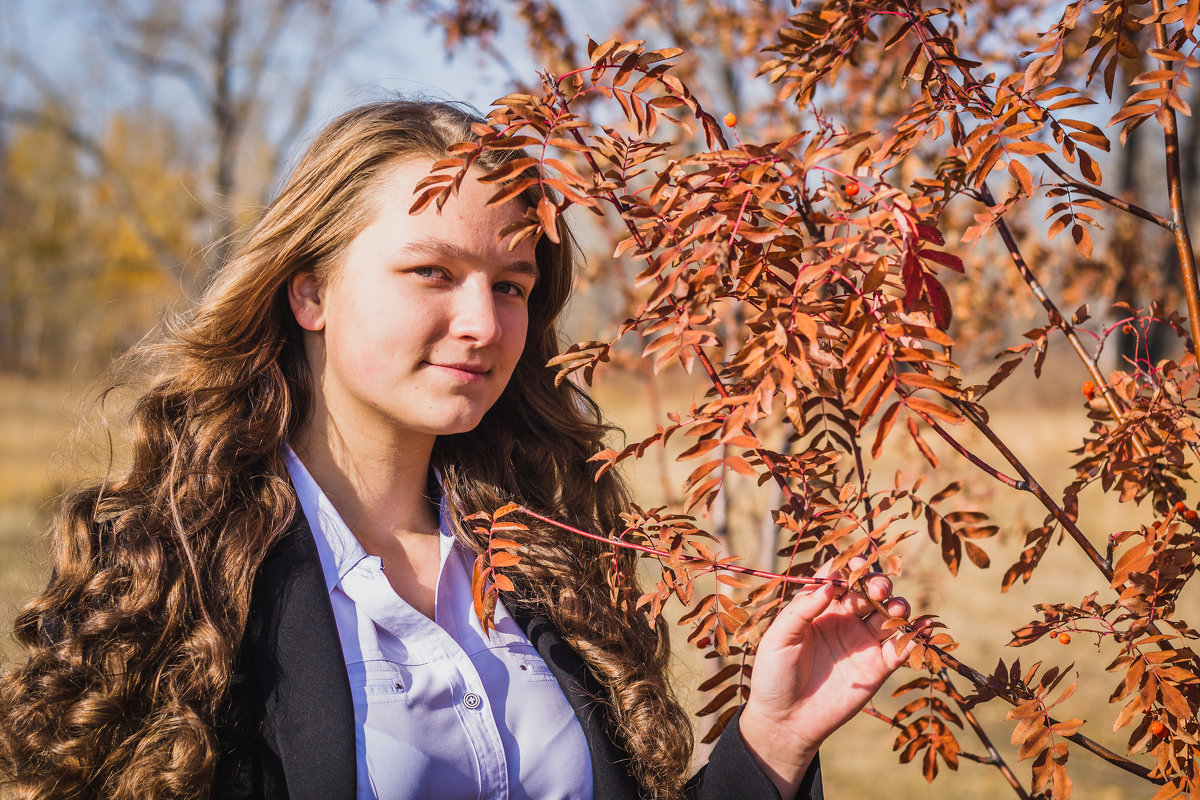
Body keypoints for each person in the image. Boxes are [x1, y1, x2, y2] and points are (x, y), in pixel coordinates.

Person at [0, 99, 911, 800]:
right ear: (309, 293)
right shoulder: (185, 570)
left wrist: (772, 742)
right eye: (432, 271)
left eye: (511, 284)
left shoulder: (551, 555)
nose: (482, 323)